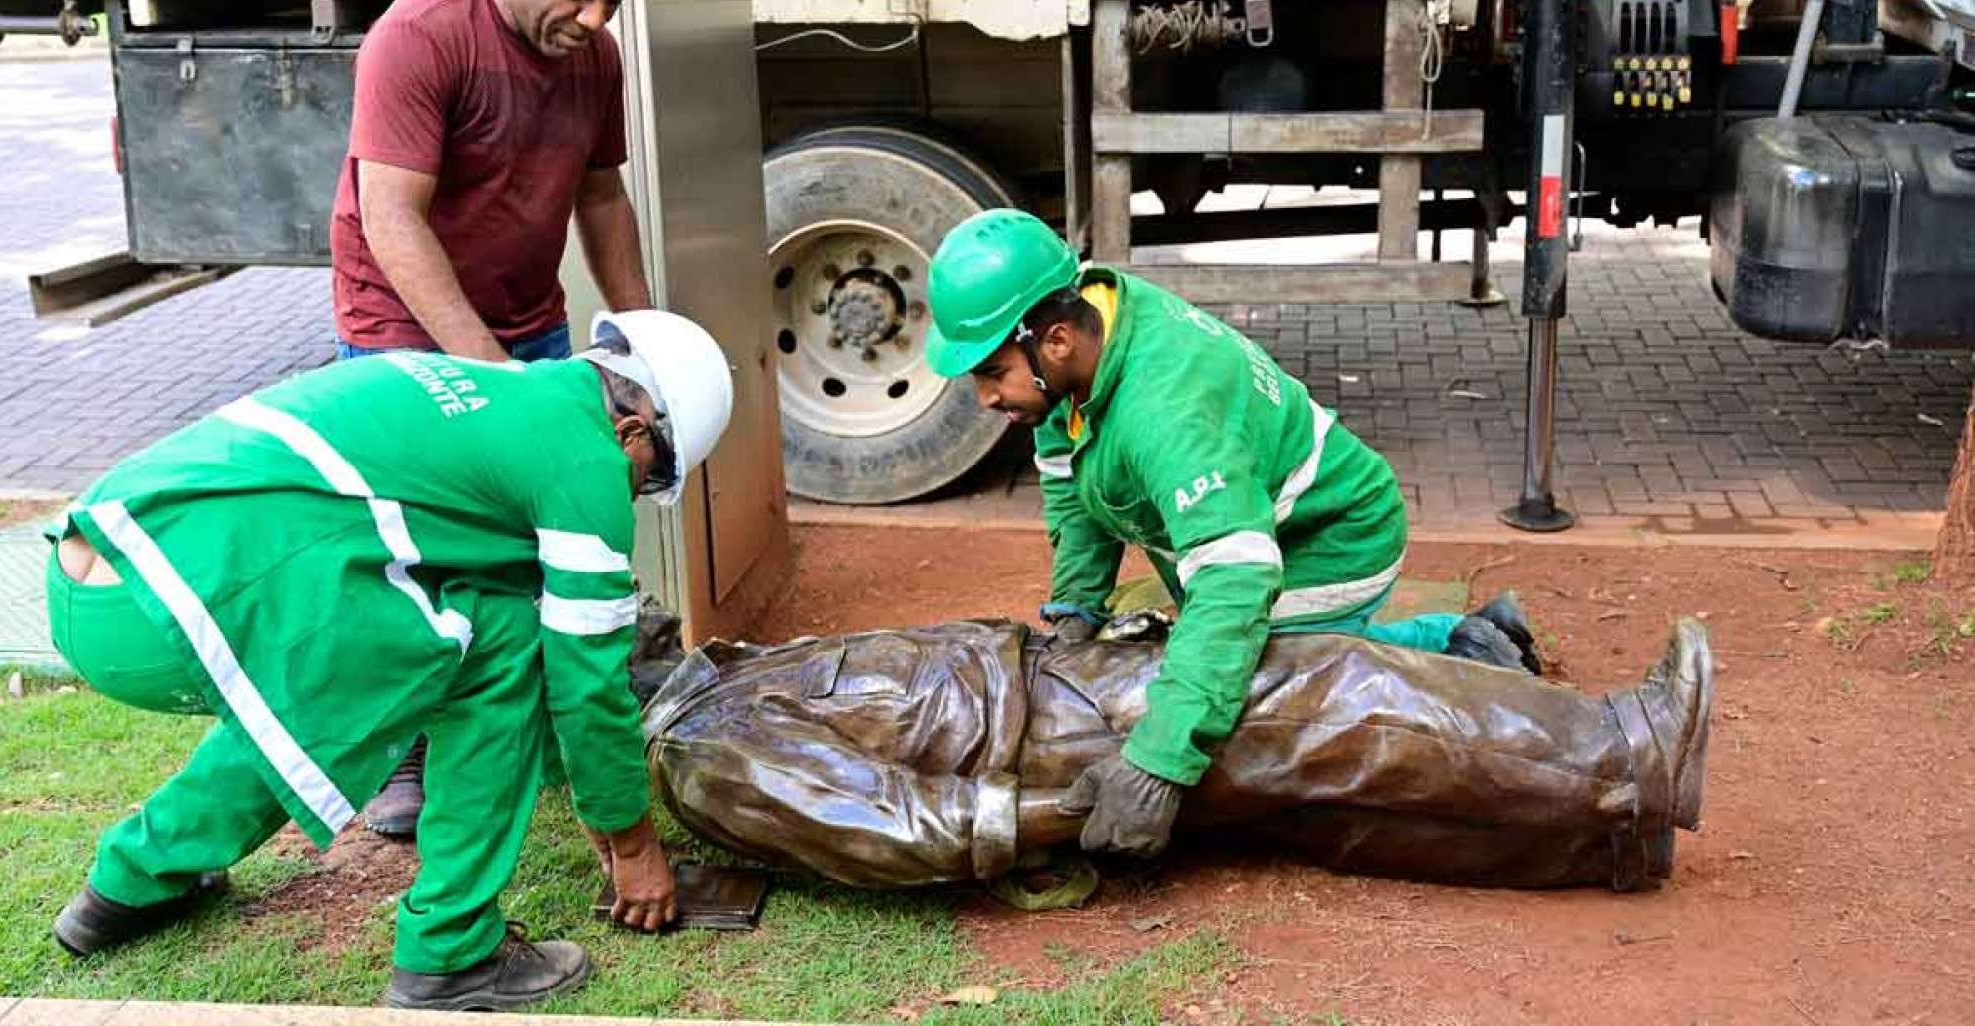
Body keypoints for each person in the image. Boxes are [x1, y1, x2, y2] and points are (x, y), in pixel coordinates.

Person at [45, 310, 733, 1011]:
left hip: (92, 581)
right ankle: (452, 952)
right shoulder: (586, 459)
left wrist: (598, 810)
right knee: (501, 650)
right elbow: (584, 686)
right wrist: (634, 843)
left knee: (370, 662)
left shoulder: (492, 393)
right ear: (633, 431)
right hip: (169, 607)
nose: (634, 496)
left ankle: (131, 883)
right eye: (650, 479)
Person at [921, 208, 1539, 859]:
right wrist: (1078, 608)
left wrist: (1159, 765)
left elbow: (1234, 583)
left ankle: (1461, 647)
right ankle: (1470, 633)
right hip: (1250, 525)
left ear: (1053, 341)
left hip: (1331, 540)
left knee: (1278, 692)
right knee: (1210, 662)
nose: (984, 398)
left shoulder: (1164, 412)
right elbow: (1073, 491)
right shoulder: (1080, 349)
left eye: (991, 373)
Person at [328, 0, 654, 834]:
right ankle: (404, 756)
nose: (594, 20)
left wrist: (645, 344)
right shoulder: (421, 37)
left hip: (528, 318)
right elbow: (392, 220)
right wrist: (492, 378)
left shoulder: (593, 60)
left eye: (612, 2)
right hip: (398, 324)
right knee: (415, 549)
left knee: (523, 543)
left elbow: (601, 200)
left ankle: (530, 725)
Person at [639, 617, 1711, 893]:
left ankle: (1605, 842)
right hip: (1060, 736)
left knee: (1307, 802)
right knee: (1327, 693)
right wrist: (1096, 798)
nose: (633, 614)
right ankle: (1631, 751)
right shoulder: (706, 744)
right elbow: (902, 827)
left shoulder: (722, 673)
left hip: (1057, 687)